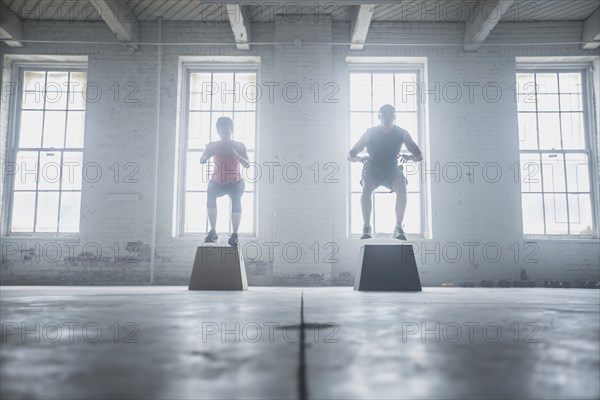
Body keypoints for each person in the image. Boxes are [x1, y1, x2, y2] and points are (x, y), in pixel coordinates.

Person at [348, 104, 423, 240]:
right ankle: (366, 227)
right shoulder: (369, 134)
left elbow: (419, 156)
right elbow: (350, 155)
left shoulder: (402, 133)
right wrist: (359, 158)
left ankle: (398, 227)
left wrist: (410, 157)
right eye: (384, 114)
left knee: (402, 188)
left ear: (394, 117)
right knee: (366, 188)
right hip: (372, 170)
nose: (387, 117)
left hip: (392, 171)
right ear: (379, 116)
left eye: (390, 114)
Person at [199, 117, 250, 247]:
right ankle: (213, 232)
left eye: (227, 132)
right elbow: (202, 159)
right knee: (210, 196)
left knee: (236, 202)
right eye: (221, 132)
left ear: (231, 130)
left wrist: (236, 156)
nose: (224, 135)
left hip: (235, 182)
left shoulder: (239, 146)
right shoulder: (213, 145)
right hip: (217, 181)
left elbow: (247, 165)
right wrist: (205, 156)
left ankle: (234, 235)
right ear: (218, 132)